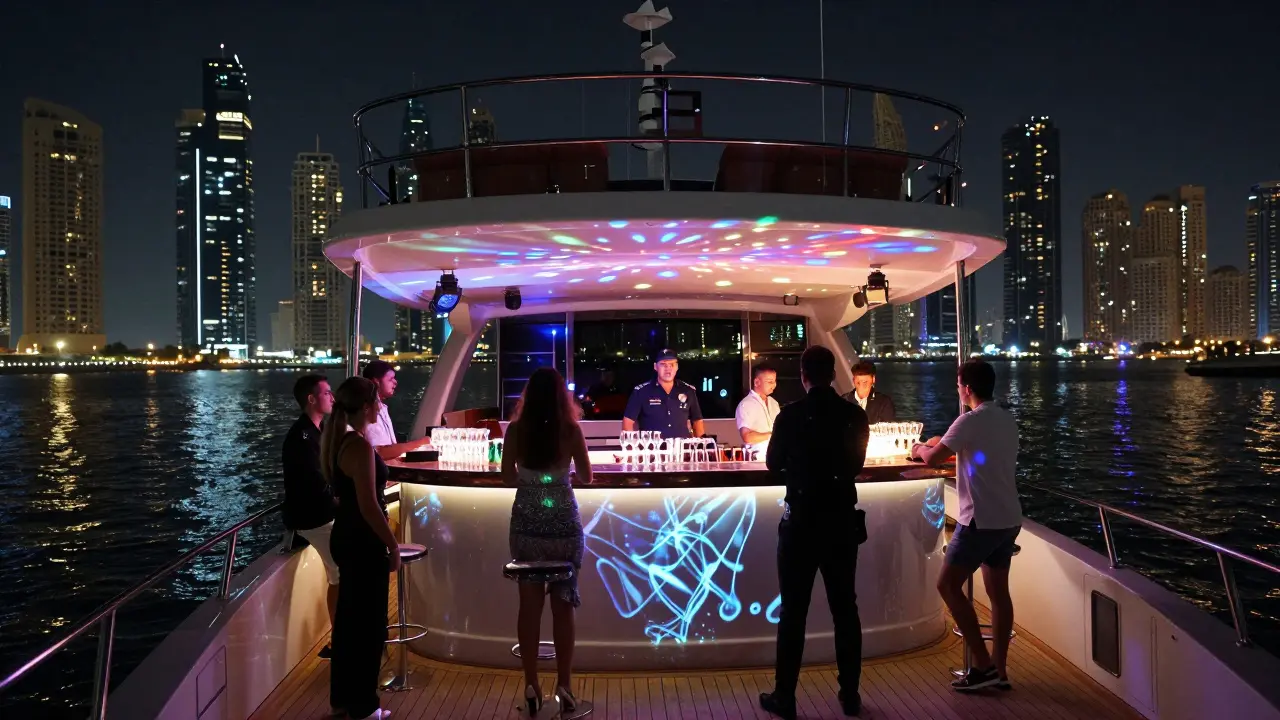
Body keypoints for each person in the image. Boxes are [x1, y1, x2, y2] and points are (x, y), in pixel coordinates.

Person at [760, 346, 870, 719]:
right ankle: (850, 695)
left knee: (793, 612)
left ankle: (785, 696)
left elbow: (773, 463)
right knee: (845, 610)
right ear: (834, 375)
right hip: (840, 521)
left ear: (804, 375)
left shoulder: (790, 415)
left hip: (802, 523)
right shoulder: (854, 415)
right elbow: (855, 465)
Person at [912, 359, 1021, 692]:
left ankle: (983, 666)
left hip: (979, 520)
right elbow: (976, 451)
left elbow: (932, 458)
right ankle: (999, 671)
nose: (958, 389)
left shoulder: (969, 421)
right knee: (999, 594)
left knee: (947, 586)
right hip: (1008, 518)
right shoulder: (1006, 419)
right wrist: (943, 444)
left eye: (959, 385)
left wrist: (919, 447)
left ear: (967, 388)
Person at [501, 367, 592, 716]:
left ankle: (531, 685)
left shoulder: (516, 431)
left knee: (529, 607)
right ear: (561, 397)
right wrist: (560, 477)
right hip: (564, 528)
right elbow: (586, 476)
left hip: (526, 527)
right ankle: (565, 687)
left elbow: (507, 477)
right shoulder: (571, 430)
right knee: (563, 606)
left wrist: (532, 481)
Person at [321, 377, 400, 720]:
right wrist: (392, 544)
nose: (380, 406)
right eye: (377, 401)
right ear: (367, 406)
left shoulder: (339, 440)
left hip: (347, 535)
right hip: (363, 540)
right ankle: (365, 707)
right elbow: (369, 504)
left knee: (349, 624)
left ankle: (343, 700)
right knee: (368, 627)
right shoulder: (360, 447)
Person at [281, 374, 340, 659]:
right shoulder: (301, 437)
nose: (332, 397)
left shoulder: (320, 430)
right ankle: (340, 641)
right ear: (311, 399)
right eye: (327, 393)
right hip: (313, 517)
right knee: (342, 572)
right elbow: (314, 482)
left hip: (326, 512)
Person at [622, 349, 706, 438]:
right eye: (663, 364)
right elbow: (628, 422)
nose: (668, 368)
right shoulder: (641, 391)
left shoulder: (688, 390)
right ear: (655, 367)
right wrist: (632, 444)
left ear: (677, 367)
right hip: (652, 446)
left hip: (682, 445)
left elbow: (697, 421)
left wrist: (701, 444)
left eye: (672, 364)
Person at [361, 359, 430, 460]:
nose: (395, 382)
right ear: (376, 382)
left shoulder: (382, 408)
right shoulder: (368, 411)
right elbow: (380, 452)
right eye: (390, 379)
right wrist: (421, 442)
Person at [735, 364, 780, 459]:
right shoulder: (746, 404)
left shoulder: (774, 403)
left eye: (775, 381)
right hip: (757, 459)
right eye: (770, 382)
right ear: (756, 382)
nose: (774, 385)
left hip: (776, 457)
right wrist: (772, 435)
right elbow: (747, 437)